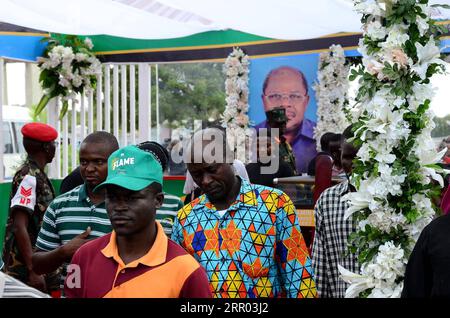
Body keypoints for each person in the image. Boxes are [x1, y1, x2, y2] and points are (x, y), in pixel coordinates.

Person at [171, 128, 316, 298]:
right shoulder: (185, 219)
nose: (205, 181)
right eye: (197, 175)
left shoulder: (275, 204)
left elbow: (299, 277)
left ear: (230, 158)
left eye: (212, 170)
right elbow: (179, 282)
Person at [64, 145, 212, 298]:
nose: (119, 207)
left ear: (158, 200)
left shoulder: (187, 271)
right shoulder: (84, 257)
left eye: (132, 197)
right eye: (112, 197)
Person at [32, 131, 119, 292]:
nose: (89, 169)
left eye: (98, 162)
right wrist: (63, 252)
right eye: (84, 162)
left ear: (115, 162)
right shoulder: (59, 206)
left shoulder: (128, 207)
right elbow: (37, 264)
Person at [2, 122, 58, 293]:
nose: (55, 148)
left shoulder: (37, 174)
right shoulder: (29, 177)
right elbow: (19, 226)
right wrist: (33, 270)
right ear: (46, 148)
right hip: (24, 269)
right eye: (53, 144)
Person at [311, 125, 360, 298]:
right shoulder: (328, 200)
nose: (354, 164)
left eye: (361, 157)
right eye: (347, 157)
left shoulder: (394, 200)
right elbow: (320, 266)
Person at [255, 66, 317, 174]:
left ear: (306, 101)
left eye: (294, 96)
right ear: (263, 101)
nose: (284, 104)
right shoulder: (250, 138)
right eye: (275, 96)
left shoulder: (319, 135)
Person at [137, 141, 185, 236]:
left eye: (152, 165)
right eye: (141, 163)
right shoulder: (125, 201)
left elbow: (180, 238)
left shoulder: (175, 203)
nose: (146, 169)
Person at [263, 107, 298, 175]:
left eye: (285, 122)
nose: (283, 125)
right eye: (279, 123)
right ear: (270, 124)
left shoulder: (284, 142)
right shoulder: (267, 144)